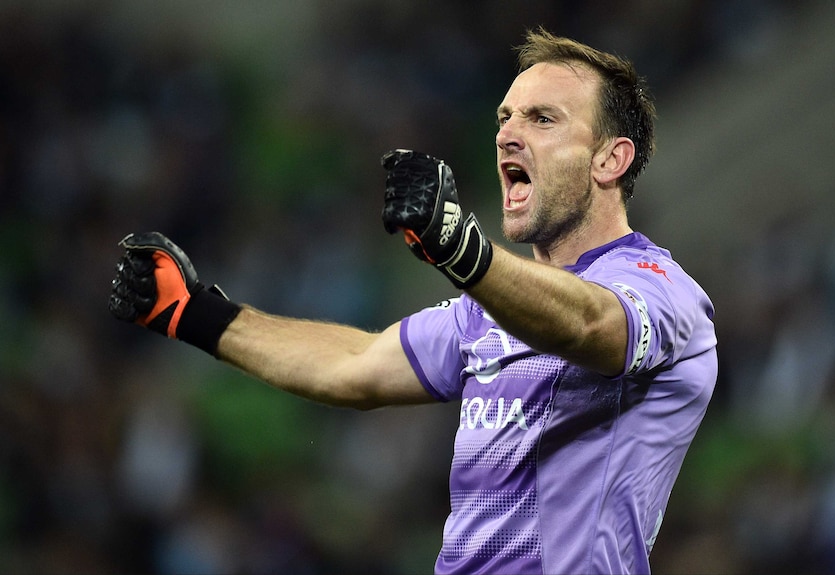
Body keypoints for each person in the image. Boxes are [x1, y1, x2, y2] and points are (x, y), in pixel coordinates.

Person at [109, 28, 717, 575]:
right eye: (505, 117)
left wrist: (462, 250)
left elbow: (590, 325)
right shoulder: (486, 312)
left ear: (611, 158)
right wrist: (196, 315)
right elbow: (356, 367)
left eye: (543, 119)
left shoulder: (660, 288)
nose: (507, 133)